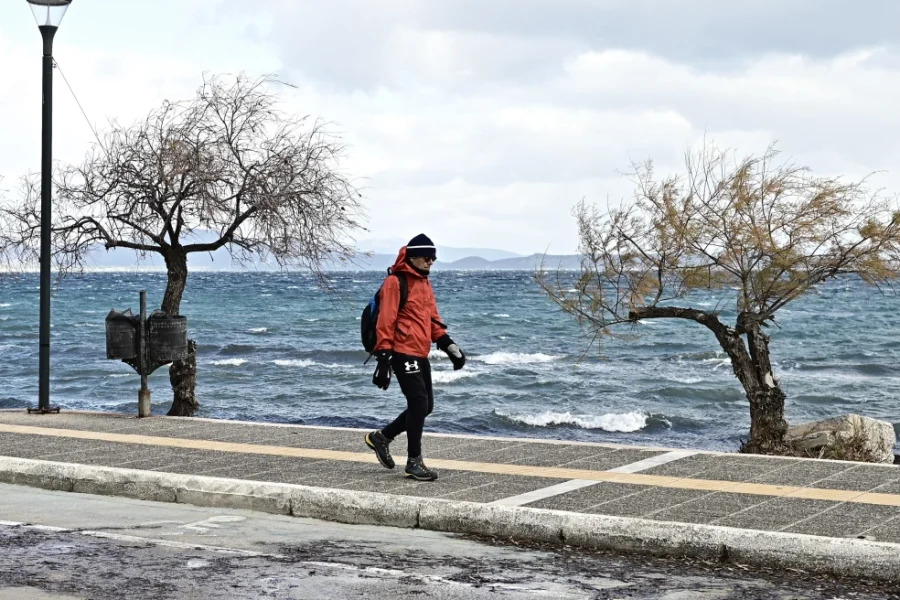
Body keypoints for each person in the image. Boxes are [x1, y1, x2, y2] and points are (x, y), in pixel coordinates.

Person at [365, 234, 467, 481]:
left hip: (420, 351)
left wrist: (447, 344)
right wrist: (383, 358)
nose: (430, 261)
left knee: (426, 406)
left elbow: (431, 320)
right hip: (401, 351)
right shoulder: (395, 282)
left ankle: (382, 437)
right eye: (426, 257)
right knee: (419, 403)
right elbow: (385, 320)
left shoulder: (424, 282)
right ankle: (413, 461)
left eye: (433, 257)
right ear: (413, 257)